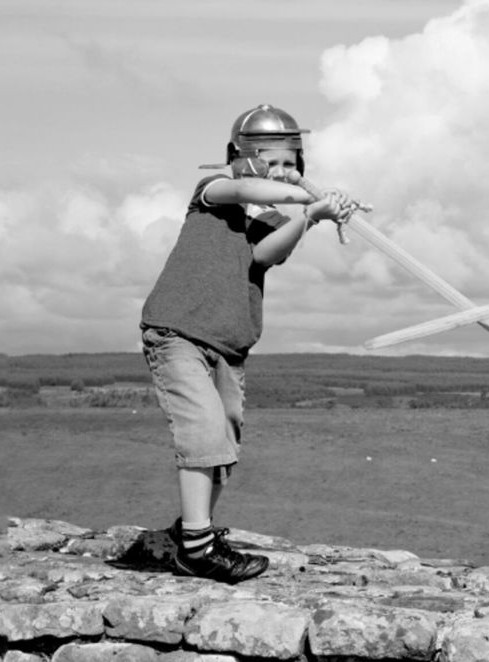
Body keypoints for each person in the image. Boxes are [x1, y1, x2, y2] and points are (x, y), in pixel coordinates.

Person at [139, 104, 360, 583]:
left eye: (291, 163)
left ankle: (191, 534)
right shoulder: (214, 192)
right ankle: (198, 550)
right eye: (272, 160)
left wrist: (312, 217)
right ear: (239, 155)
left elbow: (266, 253)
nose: (284, 172)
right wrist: (307, 198)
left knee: (224, 436)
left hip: (228, 343)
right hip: (178, 330)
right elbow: (246, 187)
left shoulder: (270, 216)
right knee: (201, 427)